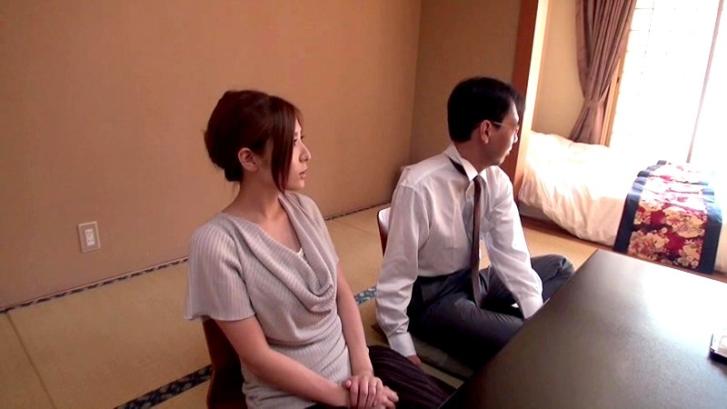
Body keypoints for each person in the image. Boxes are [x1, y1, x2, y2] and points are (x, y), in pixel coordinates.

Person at [185, 90, 449, 409]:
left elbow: (343, 295)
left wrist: (364, 371)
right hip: (292, 397)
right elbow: (257, 358)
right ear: (249, 159)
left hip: (355, 368)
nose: (306, 154)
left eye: (302, 139)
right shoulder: (216, 243)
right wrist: (344, 398)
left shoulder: (305, 209)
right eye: (292, 142)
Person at [376, 77, 575, 369]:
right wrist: (399, 340)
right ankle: (498, 327)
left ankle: (497, 323)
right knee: (524, 343)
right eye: (514, 128)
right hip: (435, 297)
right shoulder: (418, 186)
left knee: (560, 268)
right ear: (486, 130)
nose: (515, 138)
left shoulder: (496, 182)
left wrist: (534, 315)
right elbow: (397, 270)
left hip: (472, 279)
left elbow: (511, 254)